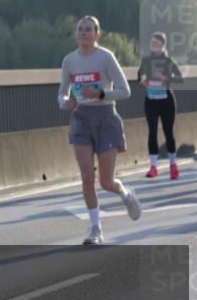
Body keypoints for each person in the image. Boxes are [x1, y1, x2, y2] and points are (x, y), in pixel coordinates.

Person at [58, 16, 142, 245]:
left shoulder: (106, 57)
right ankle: (96, 229)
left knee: (106, 181)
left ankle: (126, 195)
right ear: (77, 34)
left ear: (97, 35)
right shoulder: (70, 61)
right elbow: (62, 92)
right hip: (81, 119)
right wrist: (65, 102)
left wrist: (101, 94)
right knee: (87, 177)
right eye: (80, 30)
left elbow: (125, 91)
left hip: (106, 117)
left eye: (88, 30)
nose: (83, 33)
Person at [138, 32, 184, 179]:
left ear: (162, 45)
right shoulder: (146, 60)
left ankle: (173, 165)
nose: (153, 46)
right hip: (151, 100)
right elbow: (139, 76)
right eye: (151, 43)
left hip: (166, 101)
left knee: (168, 132)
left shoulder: (168, 61)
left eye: (156, 44)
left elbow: (180, 79)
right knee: (152, 131)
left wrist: (166, 78)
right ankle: (153, 167)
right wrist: (142, 80)